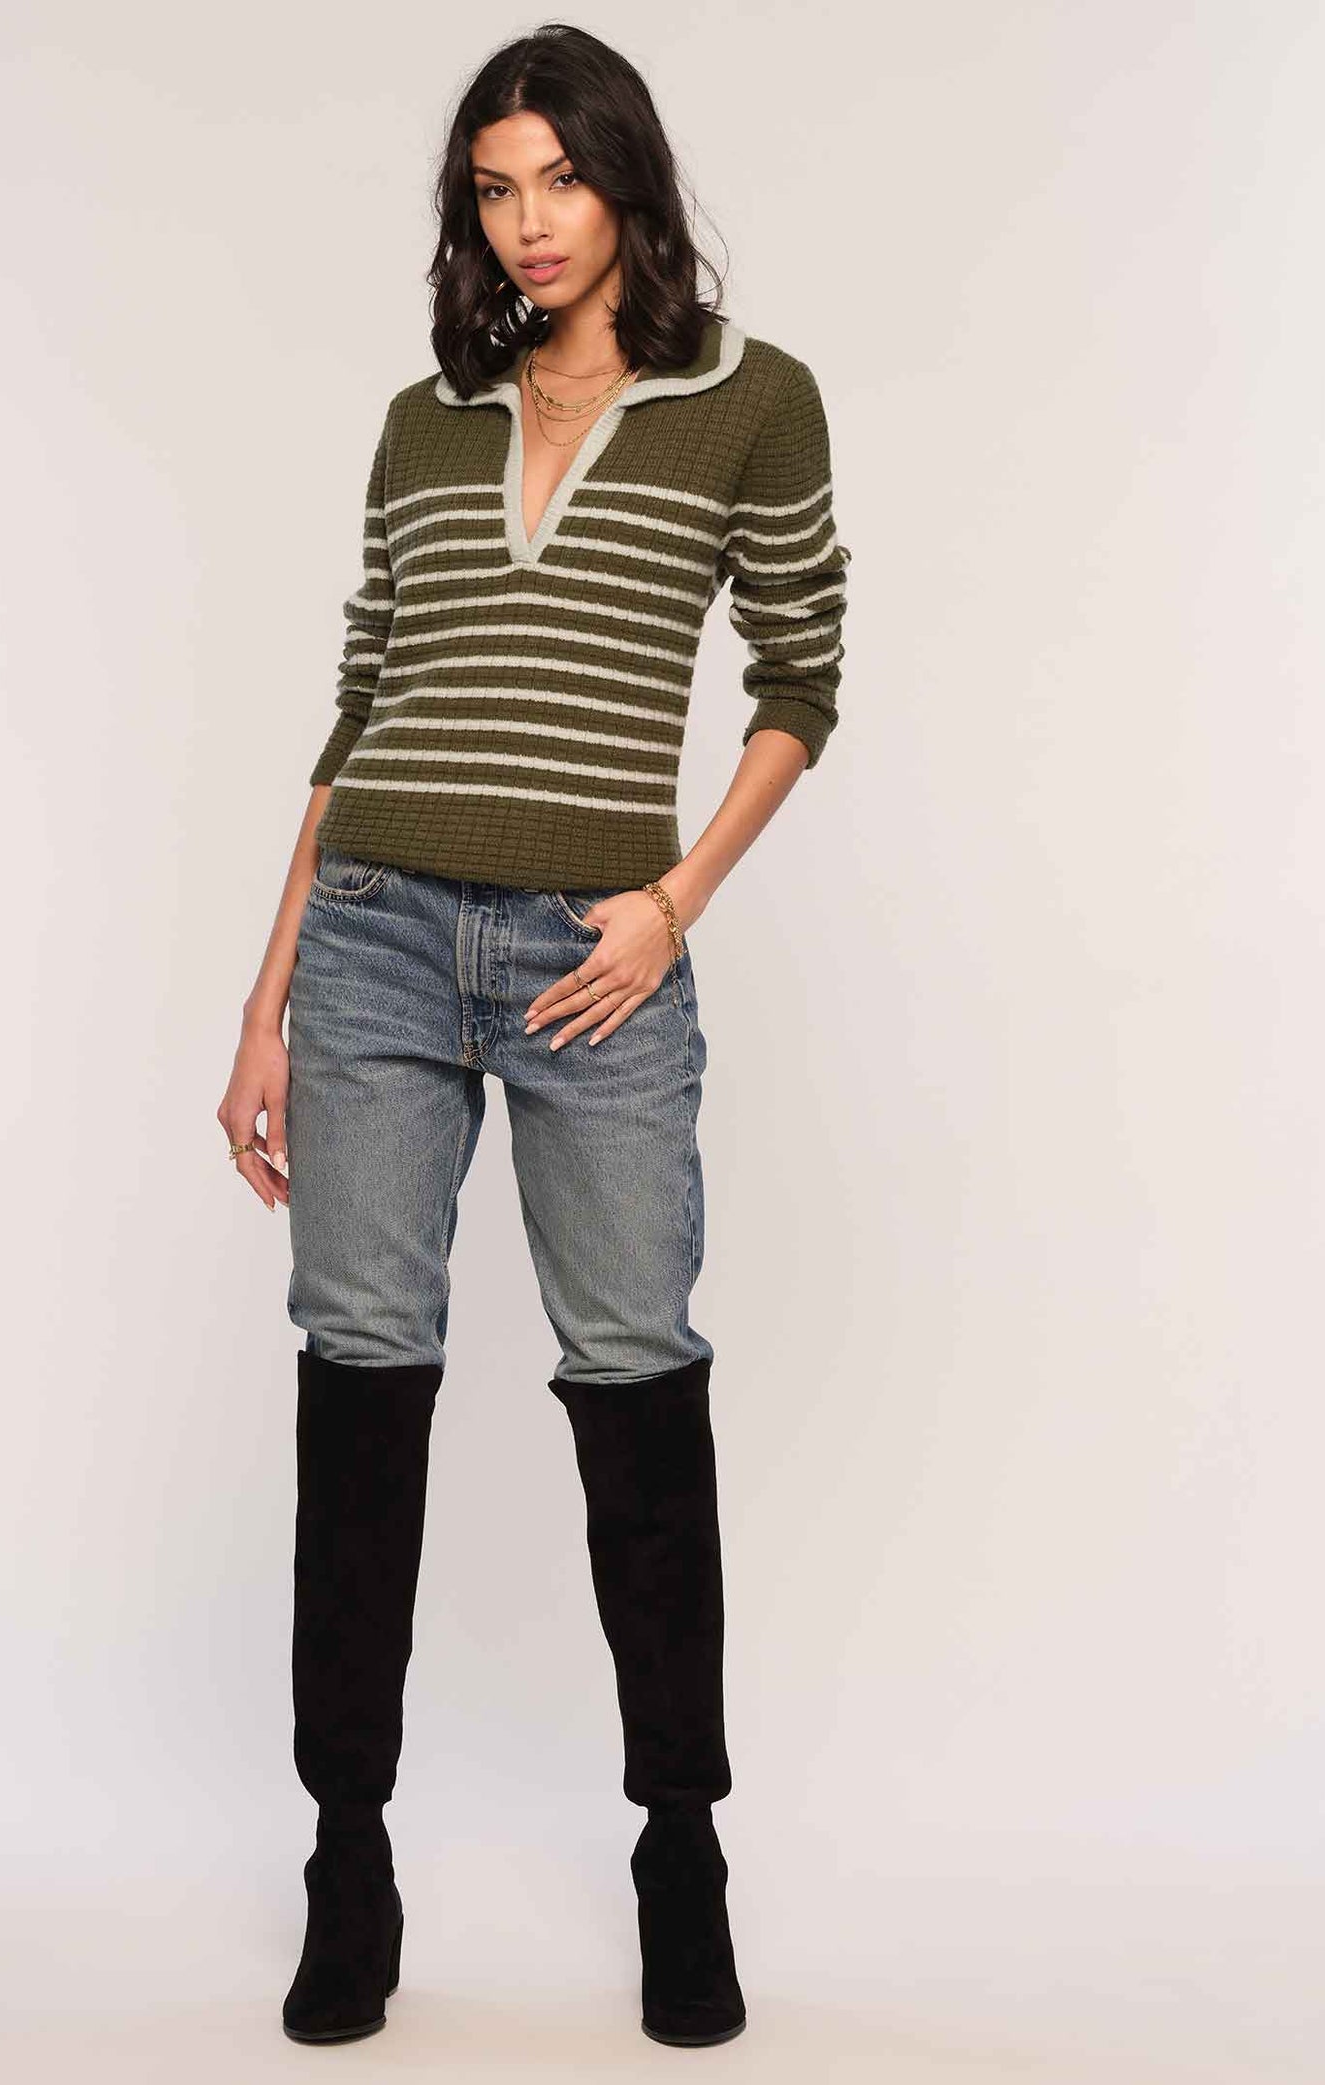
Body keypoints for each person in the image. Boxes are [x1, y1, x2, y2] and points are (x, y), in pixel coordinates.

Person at [217, 22, 851, 2051]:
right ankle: (347, 1851)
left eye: (558, 179)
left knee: (635, 1372)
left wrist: (674, 903)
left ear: (624, 182)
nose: (528, 223)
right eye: (493, 189)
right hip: (377, 943)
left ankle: (681, 1844)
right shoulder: (425, 421)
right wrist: (268, 991)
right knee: (360, 1378)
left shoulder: (749, 400)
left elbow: (801, 680)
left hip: (599, 959)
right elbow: (362, 701)